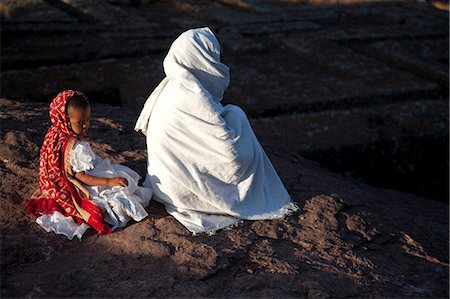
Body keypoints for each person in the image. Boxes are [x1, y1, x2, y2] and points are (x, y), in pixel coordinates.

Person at [135, 27, 298, 235]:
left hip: (166, 185)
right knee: (236, 115)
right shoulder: (192, 93)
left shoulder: (171, 86)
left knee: (232, 114)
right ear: (200, 57)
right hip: (183, 192)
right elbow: (229, 156)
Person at [25, 90, 152, 240]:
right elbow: (82, 176)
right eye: (80, 122)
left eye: (87, 120)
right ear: (66, 119)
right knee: (124, 177)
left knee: (119, 172)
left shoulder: (55, 132)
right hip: (79, 180)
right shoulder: (77, 148)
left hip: (56, 183)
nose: (85, 125)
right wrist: (109, 182)